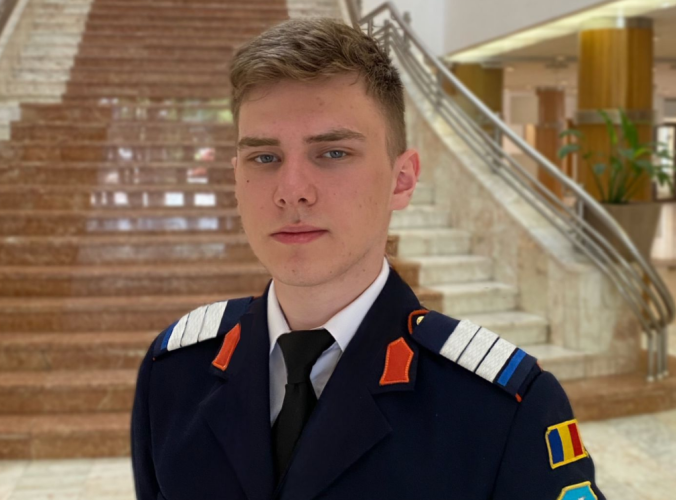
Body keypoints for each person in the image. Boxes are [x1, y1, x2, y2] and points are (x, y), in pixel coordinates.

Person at [130, 18, 605, 500]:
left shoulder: (502, 408)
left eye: (333, 153)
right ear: (236, 178)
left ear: (402, 180)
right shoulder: (175, 374)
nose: (291, 191)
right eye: (264, 158)